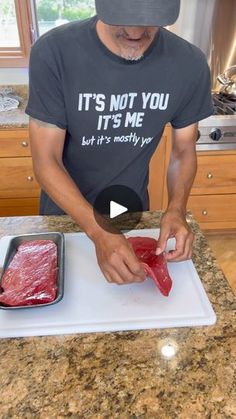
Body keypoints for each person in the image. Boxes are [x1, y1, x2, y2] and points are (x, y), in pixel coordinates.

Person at [26, 0, 214, 286]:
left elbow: (184, 149)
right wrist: (99, 234)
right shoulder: (54, 53)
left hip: (128, 210)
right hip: (64, 217)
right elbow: (45, 160)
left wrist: (176, 208)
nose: (136, 32)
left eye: (151, 19)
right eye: (122, 18)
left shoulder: (189, 64)